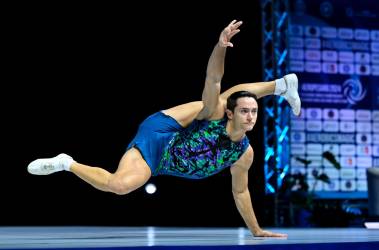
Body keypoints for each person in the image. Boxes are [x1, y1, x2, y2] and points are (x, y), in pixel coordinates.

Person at [28, 20, 300, 237]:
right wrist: (220, 46)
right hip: (163, 132)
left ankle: (66, 163)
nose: (251, 116)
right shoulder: (217, 113)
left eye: (254, 112)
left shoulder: (244, 154)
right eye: (244, 111)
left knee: (120, 186)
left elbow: (240, 191)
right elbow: (214, 78)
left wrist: (256, 230)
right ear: (232, 114)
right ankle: (280, 85)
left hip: (164, 161)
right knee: (216, 101)